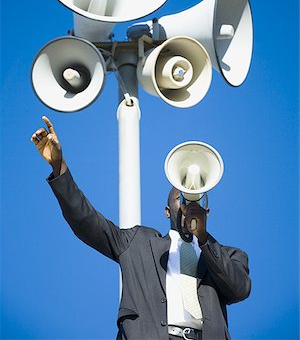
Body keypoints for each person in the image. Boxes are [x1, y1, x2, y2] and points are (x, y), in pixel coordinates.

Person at [31, 116, 251, 340]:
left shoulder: (230, 255)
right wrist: (59, 166)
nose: (187, 205)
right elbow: (84, 220)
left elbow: (239, 289)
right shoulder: (137, 242)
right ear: (167, 211)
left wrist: (203, 238)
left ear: (208, 212)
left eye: (196, 201)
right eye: (180, 199)